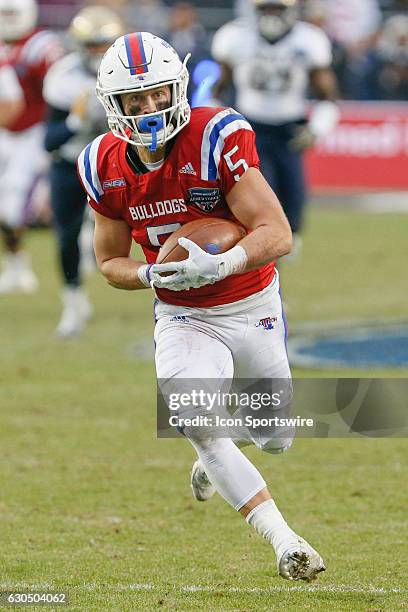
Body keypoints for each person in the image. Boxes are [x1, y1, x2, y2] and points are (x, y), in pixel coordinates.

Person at [78, 31, 326, 582]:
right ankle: (285, 542)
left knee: (276, 438)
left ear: (178, 89)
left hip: (250, 300)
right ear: (112, 105)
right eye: (134, 101)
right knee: (193, 415)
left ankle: (219, 448)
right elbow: (109, 262)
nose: (149, 109)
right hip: (183, 314)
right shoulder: (101, 162)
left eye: (158, 95)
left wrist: (221, 263)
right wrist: (149, 272)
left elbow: (277, 232)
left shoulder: (216, 135)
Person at [211, 0, 339, 248]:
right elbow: (217, 88)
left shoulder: (309, 40)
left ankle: (287, 237)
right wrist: (217, 123)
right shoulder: (235, 37)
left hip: (289, 129)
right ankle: (261, 240)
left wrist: (317, 128)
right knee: (258, 191)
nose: (271, 15)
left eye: (277, 9)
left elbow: (328, 95)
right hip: (249, 126)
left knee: (294, 197)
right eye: (266, 9)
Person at [43, 6, 123, 337]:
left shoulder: (127, 72)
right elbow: (49, 140)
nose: (98, 53)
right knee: (65, 236)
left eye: (104, 45)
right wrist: (76, 120)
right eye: (92, 45)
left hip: (113, 161)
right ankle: (73, 302)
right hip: (72, 162)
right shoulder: (64, 76)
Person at [0, 0, 62, 294]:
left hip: (32, 132)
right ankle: (15, 264)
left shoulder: (41, 45)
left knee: (13, 204)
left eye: (12, 13)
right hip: (4, 133)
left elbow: (56, 91)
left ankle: (19, 267)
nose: (8, 20)